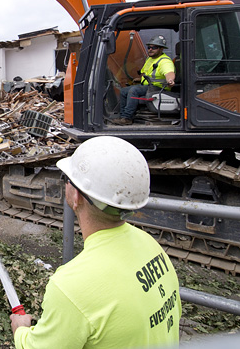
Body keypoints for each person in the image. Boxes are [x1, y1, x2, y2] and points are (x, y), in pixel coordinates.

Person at [11, 136, 181, 349]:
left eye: (68, 179)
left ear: (76, 197)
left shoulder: (70, 286)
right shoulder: (150, 245)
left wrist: (21, 331)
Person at [113, 36, 176, 125]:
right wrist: (140, 79)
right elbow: (147, 73)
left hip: (158, 88)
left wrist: (170, 80)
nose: (150, 49)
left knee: (133, 90)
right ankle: (123, 116)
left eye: (154, 48)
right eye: (149, 47)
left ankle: (128, 118)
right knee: (123, 91)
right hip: (148, 86)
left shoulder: (165, 61)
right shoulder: (150, 59)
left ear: (161, 49)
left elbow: (169, 72)